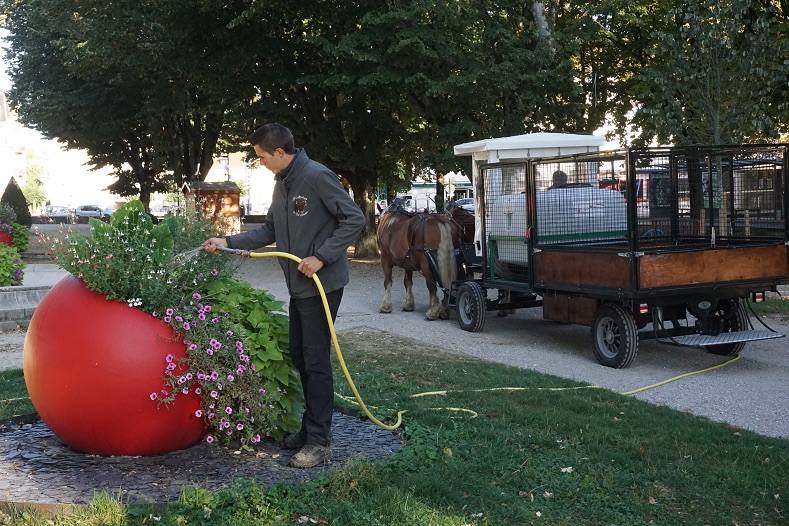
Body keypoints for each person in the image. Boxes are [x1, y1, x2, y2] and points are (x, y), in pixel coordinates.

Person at [202, 123, 365, 468]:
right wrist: (227, 242)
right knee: (301, 355)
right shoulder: (282, 184)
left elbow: (354, 218)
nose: (259, 163)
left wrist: (322, 255)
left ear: (279, 152)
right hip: (299, 286)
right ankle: (311, 428)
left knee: (316, 359)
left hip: (322, 283)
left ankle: (320, 442)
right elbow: (270, 231)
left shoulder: (317, 176)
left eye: (261, 157)